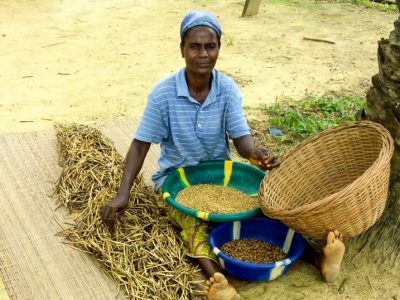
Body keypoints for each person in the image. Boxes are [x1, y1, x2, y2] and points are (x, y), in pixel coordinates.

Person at [101, 10, 345, 300]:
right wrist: (122, 193)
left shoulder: (226, 88)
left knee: (269, 211)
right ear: (182, 50)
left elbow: (242, 142)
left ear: (218, 48)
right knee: (190, 225)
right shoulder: (163, 95)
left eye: (210, 46)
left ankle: (320, 261)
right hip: (177, 182)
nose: (203, 54)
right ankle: (221, 282)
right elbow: (140, 145)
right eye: (194, 46)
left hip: (223, 179)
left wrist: (255, 153)